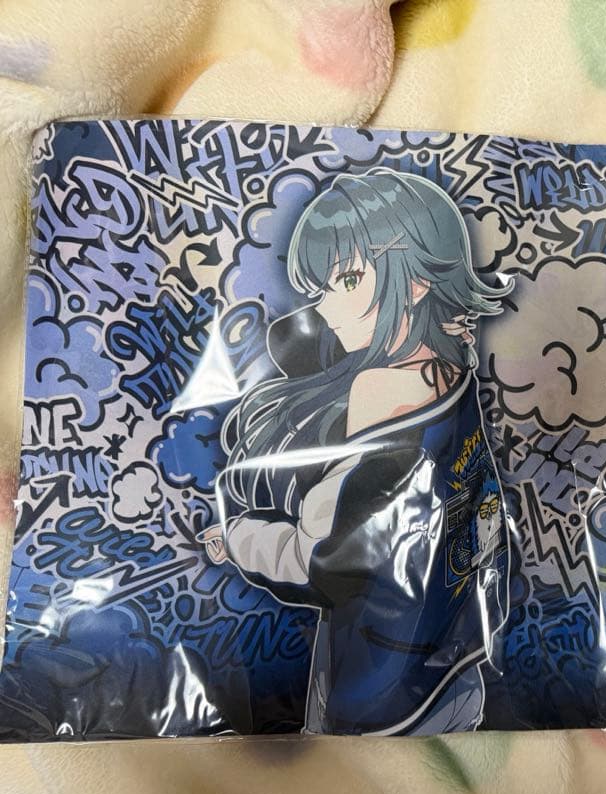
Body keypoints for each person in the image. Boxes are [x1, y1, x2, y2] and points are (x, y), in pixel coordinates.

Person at [199, 170, 509, 735]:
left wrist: (237, 537)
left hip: (381, 695)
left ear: (415, 281)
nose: (326, 308)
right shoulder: (452, 363)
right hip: (456, 655)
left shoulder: (376, 391)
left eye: (346, 280)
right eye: (323, 287)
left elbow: (319, 559)